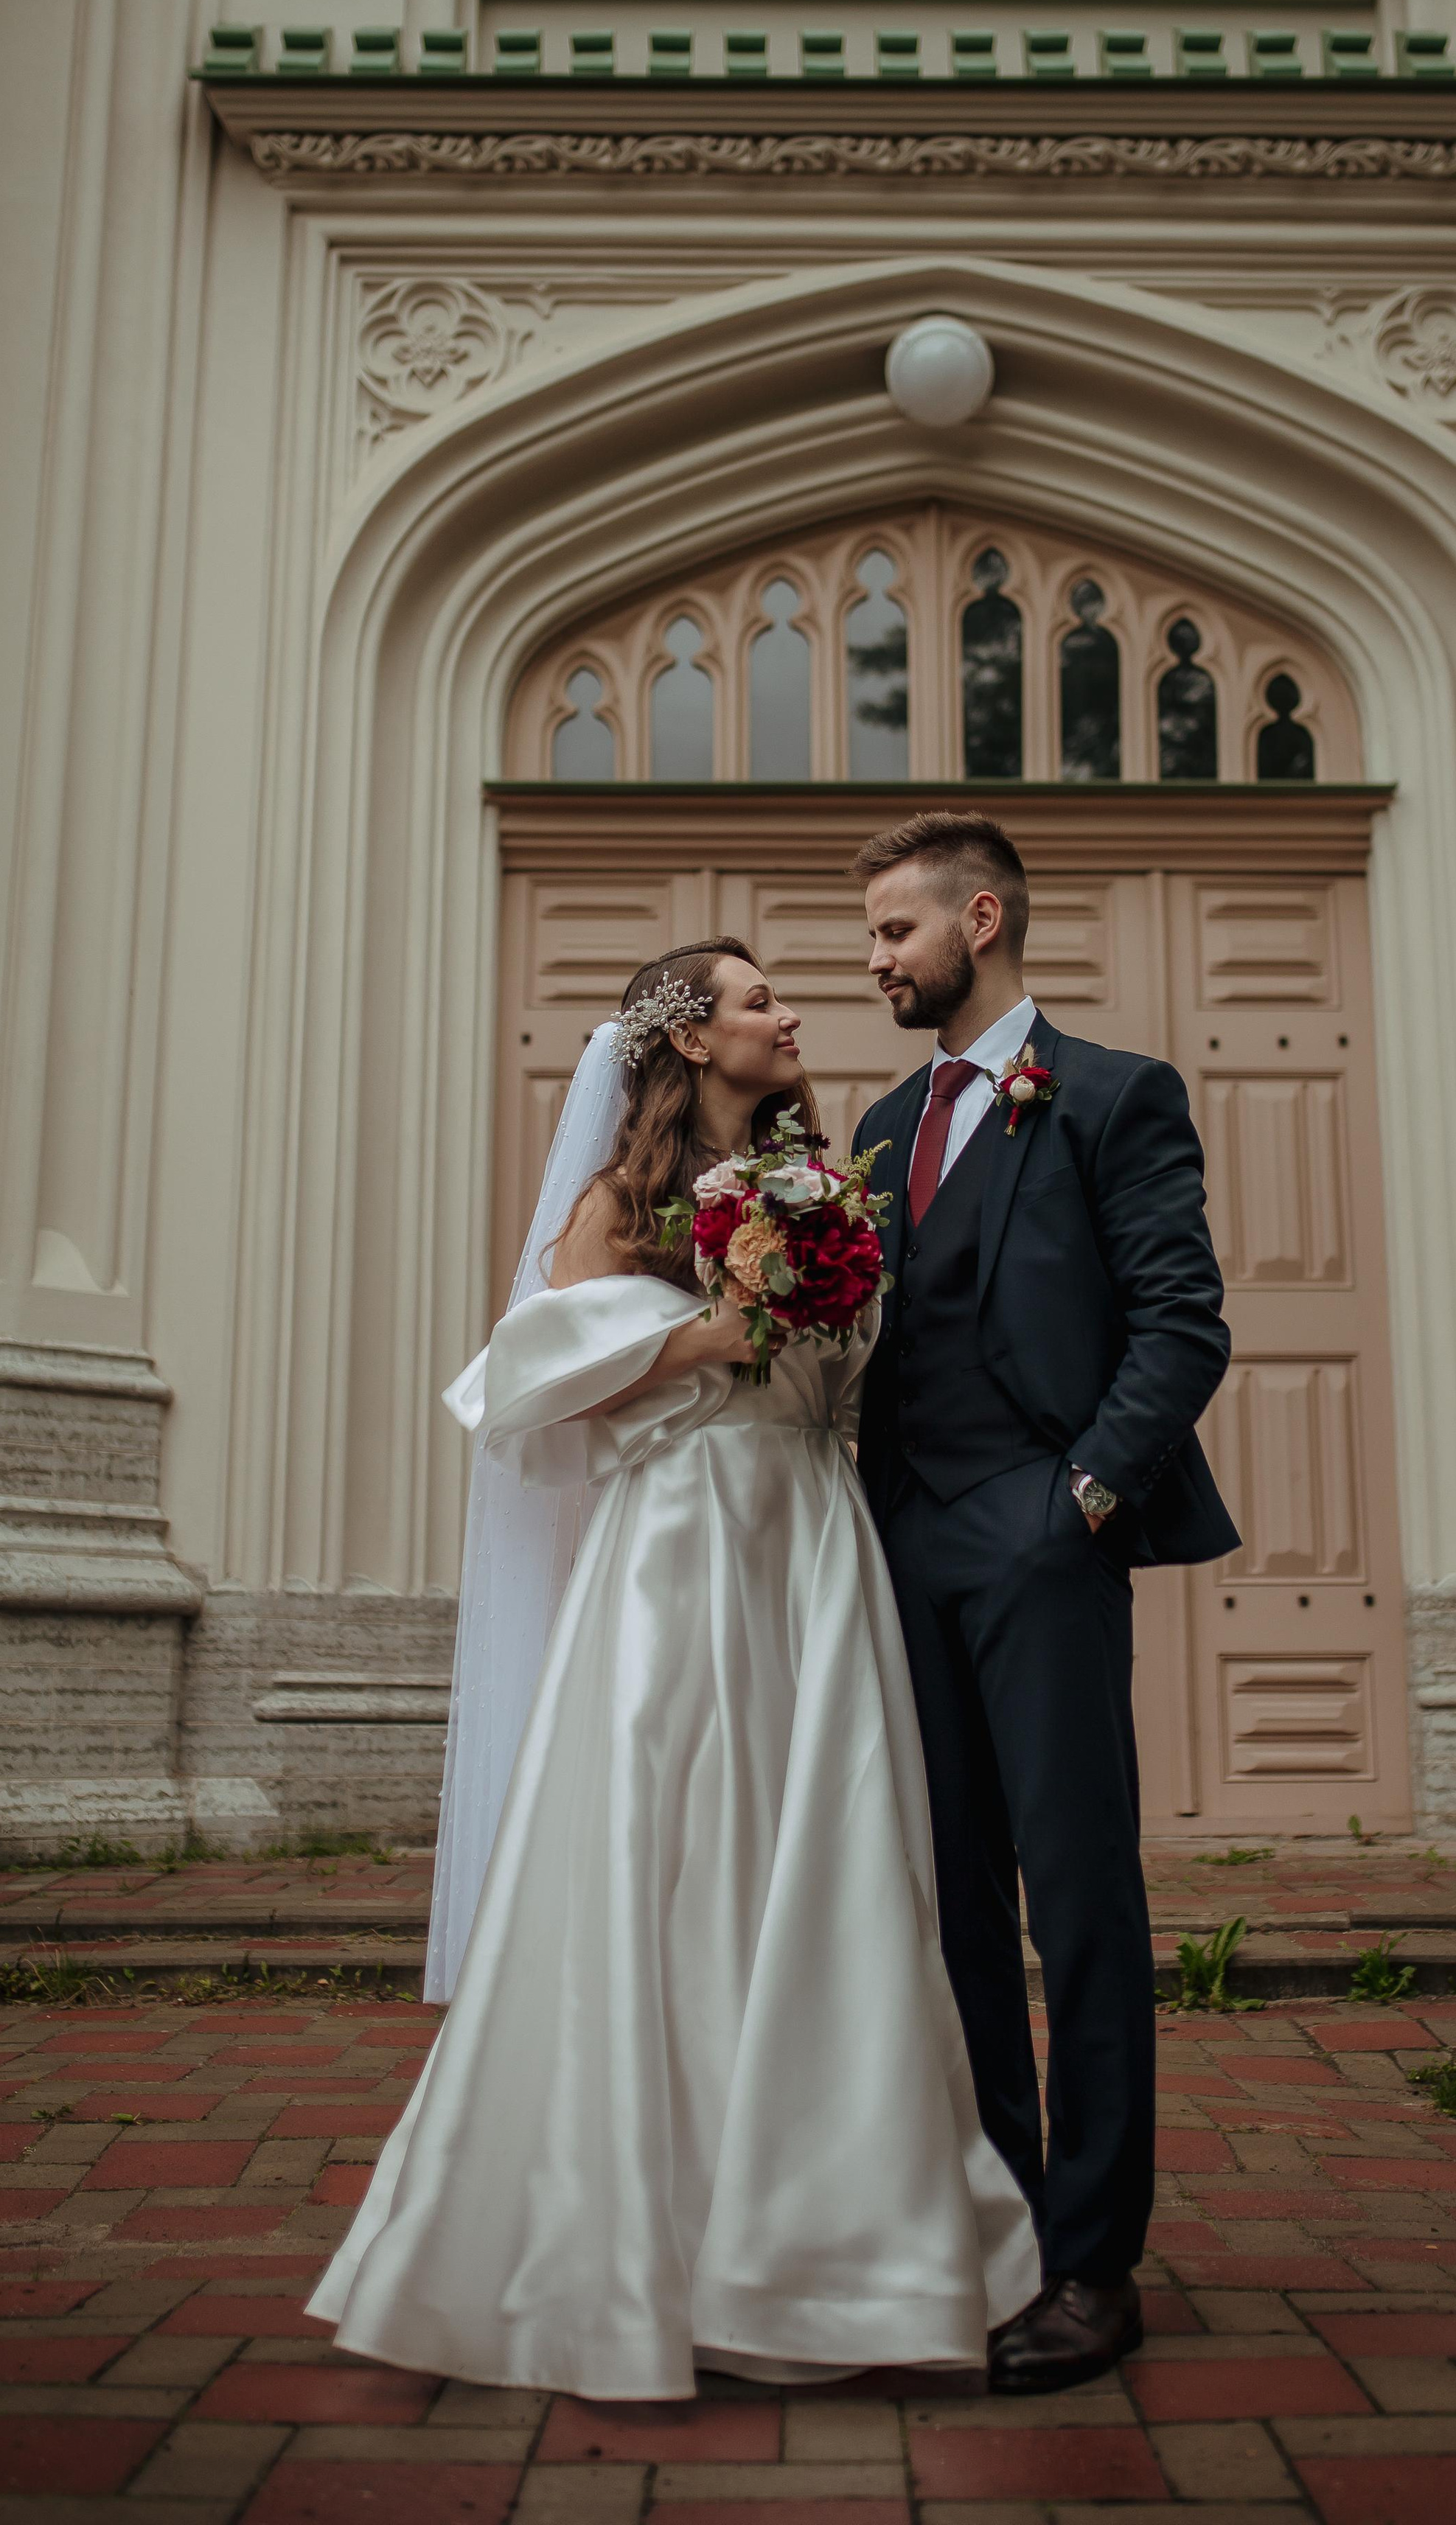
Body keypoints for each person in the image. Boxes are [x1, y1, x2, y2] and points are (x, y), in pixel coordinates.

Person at [310, 937, 1038, 2399]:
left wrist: (811, 1295)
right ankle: (631, 2246)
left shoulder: (823, 1187)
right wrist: (724, 1323)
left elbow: (844, 1382)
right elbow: (529, 1391)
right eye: (757, 998)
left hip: (812, 1544)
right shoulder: (612, 1208)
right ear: (692, 1041)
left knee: (827, 1861)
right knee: (674, 1862)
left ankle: (837, 2244)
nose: (786, 1015)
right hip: (676, 1555)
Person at [851, 813, 1239, 2395]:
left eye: (893, 932)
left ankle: (1093, 2263)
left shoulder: (1109, 1094)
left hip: (1038, 1542)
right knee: (949, 1909)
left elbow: (1182, 1322)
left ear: (980, 919)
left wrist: (1078, 1498)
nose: (874, 959)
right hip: (897, 1547)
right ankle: (1002, 2226)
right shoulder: (877, 1120)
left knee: (1075, 1906)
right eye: (873, 937)